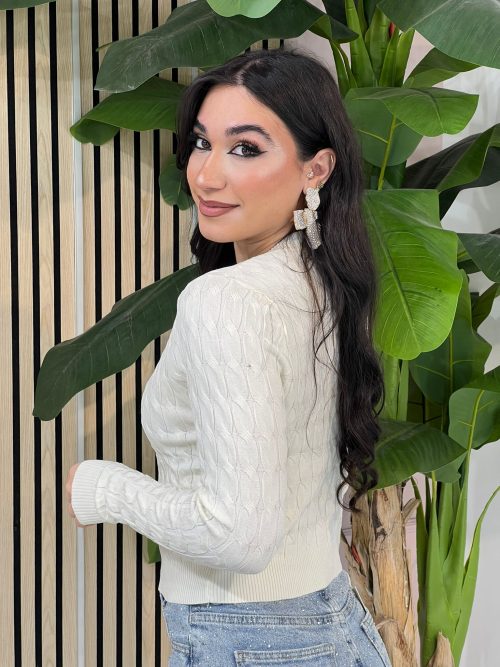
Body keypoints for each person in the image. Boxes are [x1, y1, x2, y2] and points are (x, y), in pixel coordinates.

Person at [66, 47, 391, 666]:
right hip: (330, 623)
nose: (207, 175)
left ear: (316, 169)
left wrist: (104, 488)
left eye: (245, 148)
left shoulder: (227, 302)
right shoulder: (324, 281)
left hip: (252, 639)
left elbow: (238, 535)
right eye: (200, 143)